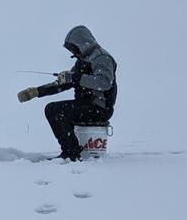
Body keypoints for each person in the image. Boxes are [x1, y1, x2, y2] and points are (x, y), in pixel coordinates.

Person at [17, 26, 118, 161]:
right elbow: (66, 83)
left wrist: (75, 77)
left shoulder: (101, 58)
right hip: (87, 106)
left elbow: (104, 82)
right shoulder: (82, 61)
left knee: (55, 110)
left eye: (74, 48)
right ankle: (71, 150)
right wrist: (37, 91)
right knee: (54, 110)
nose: (73, 52)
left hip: (100, 107)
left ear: (81, 43)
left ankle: (71, 152)